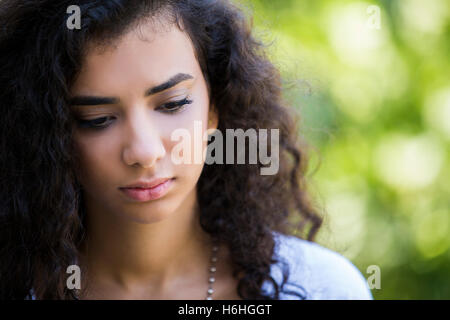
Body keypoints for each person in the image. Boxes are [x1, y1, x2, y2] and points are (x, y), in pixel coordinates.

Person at [0, 0, 373, 300]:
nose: (144, 152)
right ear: (47, 133)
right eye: (97, 119)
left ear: (215, 107)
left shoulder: (320, 289)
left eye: (173, 104)